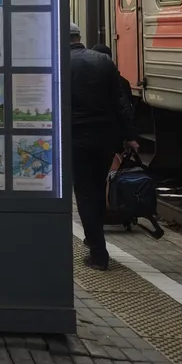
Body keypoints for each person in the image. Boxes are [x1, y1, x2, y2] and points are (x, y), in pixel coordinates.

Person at [70, 22, 138, 270]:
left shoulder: (60, 63)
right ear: (78, 37)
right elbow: (120, 102)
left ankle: (98, 253)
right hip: (105, 138)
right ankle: (94, 239)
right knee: (98, 189)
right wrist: (130, 136)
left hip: (77, 138)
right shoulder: (103, 61)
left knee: (85, 192)